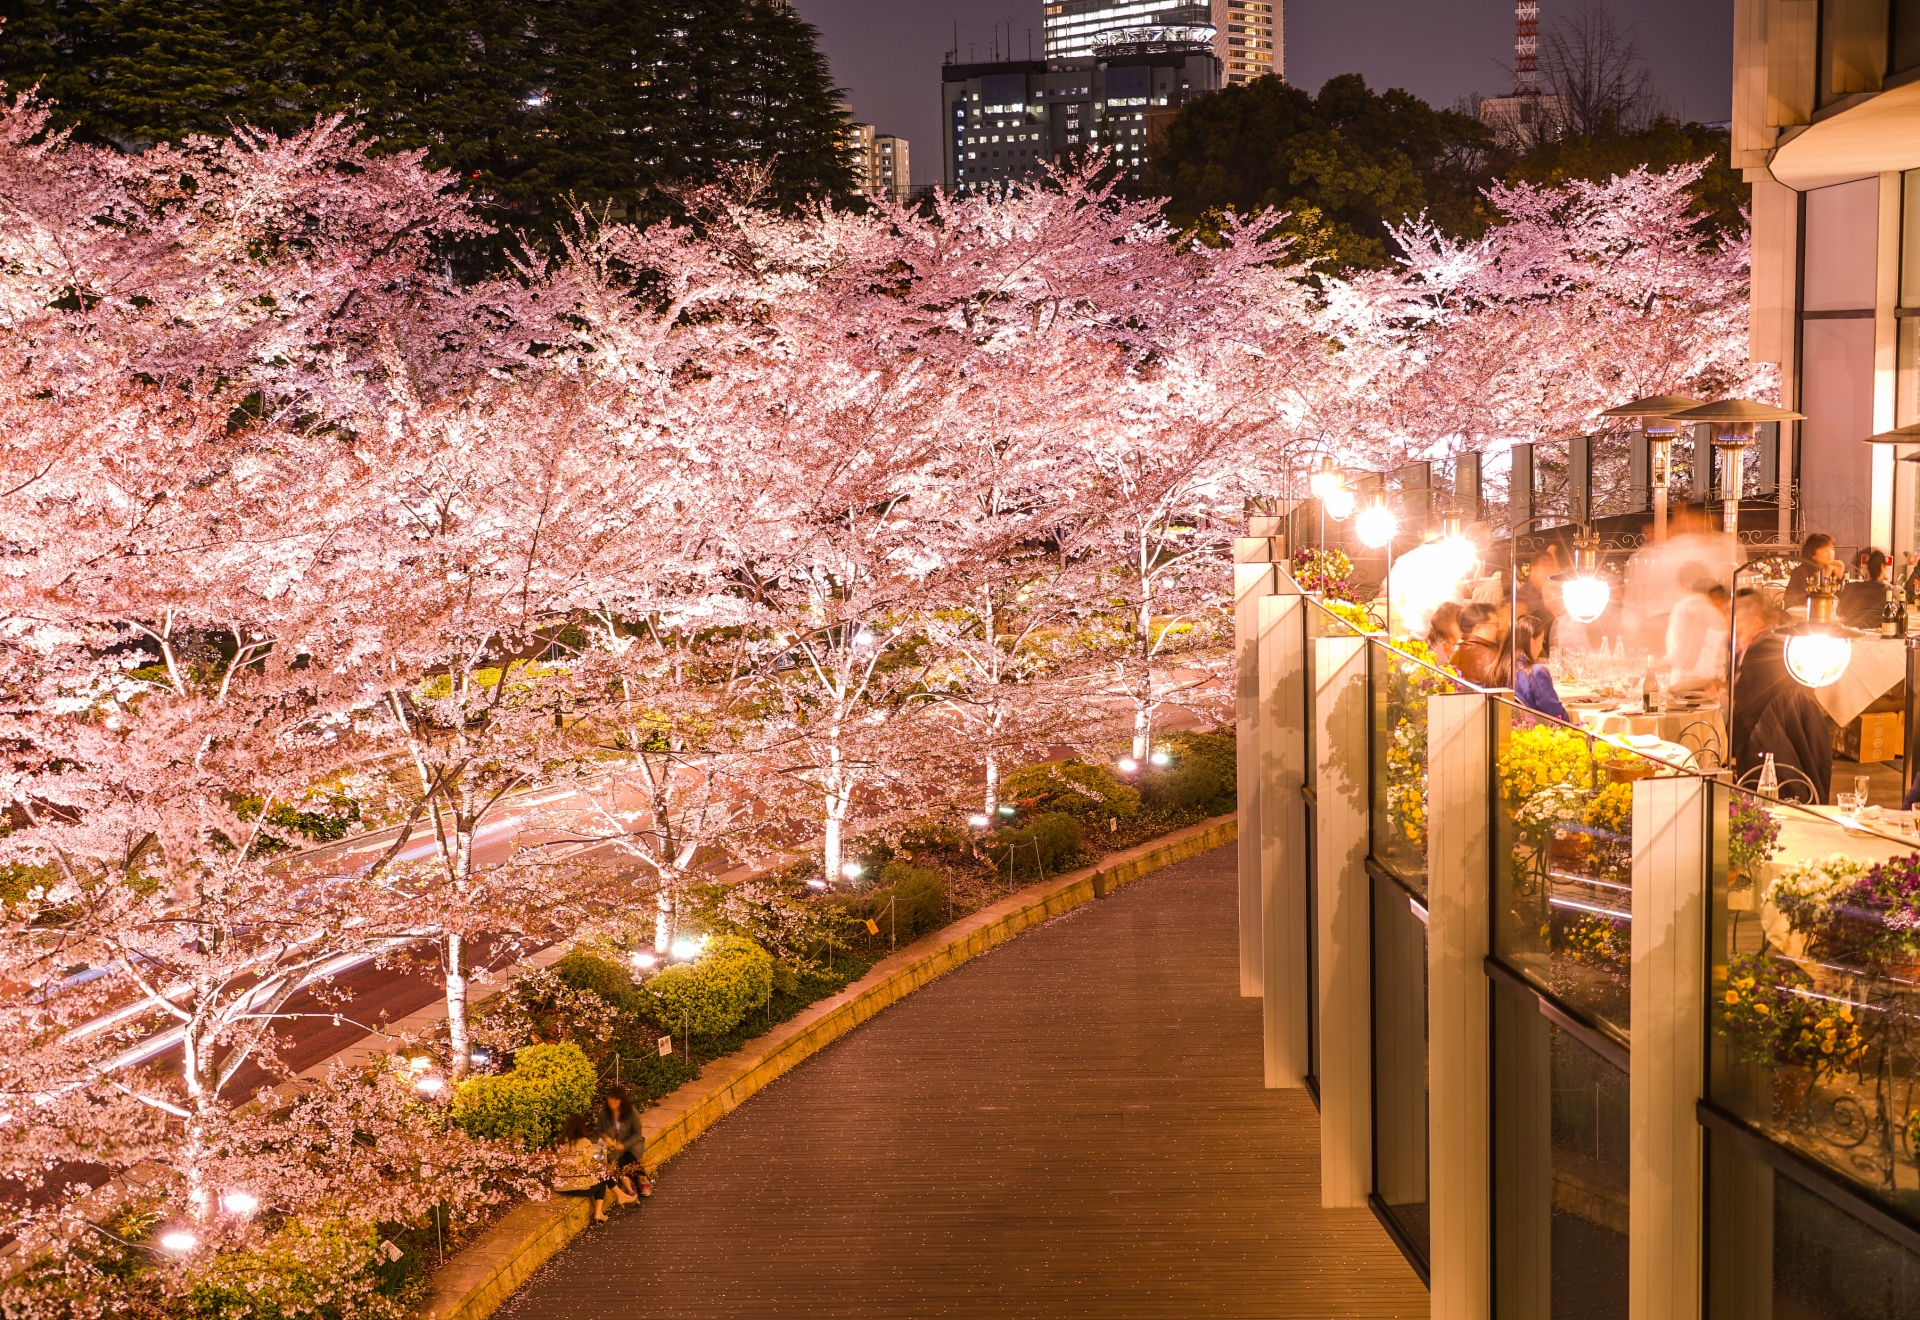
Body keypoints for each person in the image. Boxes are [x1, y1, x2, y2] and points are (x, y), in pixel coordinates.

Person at [1731, 596, 1832, 805]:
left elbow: (1744, 710)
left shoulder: (1760, 650)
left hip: (1763, 742)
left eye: (1739, 625)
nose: (1736, 632)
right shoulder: (1783, 645)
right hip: (1796, 742)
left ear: (1756, 621)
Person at [1664, 571, 1730, 696]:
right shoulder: (1715, 614)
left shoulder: (1684, 609)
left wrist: (1650, 665)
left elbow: (1679, 656)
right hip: (1715, 686)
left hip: (1689, 687)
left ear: (1683, 585)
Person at [553, 1113, 628, 1222]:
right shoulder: (584, 1142)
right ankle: (615, 1199)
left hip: (563, 1188)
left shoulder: (561, 1144)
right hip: (578, 1188)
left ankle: (608, 1205)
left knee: (603, 1175)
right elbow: (591, 1166)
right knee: (603, 1176)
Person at [594, 1087, 653, 1200]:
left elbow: (637, 1133)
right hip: (614, 1144)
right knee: (617, 1161)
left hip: (631, 1142)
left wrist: (624, 1145)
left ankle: (641, 1178)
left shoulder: (631, 1112)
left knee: (632, 1156)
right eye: (610, 1099)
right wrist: (606, 1138)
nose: (612, 1103)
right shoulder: (604, 1113)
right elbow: (600, 1131)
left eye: (616, 1101)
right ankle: (634, 1182)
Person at [1510, 613, 1570, 721]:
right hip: (1532, 734)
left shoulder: (1492, 670)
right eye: (1542, 640)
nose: (1541, 646)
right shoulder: (1537, 672)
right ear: (1532, 640)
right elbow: (1558, 717)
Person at [1450, 602, 1508, 688]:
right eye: (1496, 625)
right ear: (1478, 627)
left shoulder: (1455, 653)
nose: (1498, 629)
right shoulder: (1492, 658)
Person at [1783, 533, 1839, 614]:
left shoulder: (1834, 570)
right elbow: (1801, 601)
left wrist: (1841, 577)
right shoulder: (1800, 572)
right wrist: (1825, 576)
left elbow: (1843, 601)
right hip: (1806, 617)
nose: (1831, 553)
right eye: (1825, 550)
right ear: (1812, 555)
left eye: (1832, 549)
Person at [1839, 548, 1892, 628]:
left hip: (1855, 634)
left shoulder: (1850, 588)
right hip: (1880, 635)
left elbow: (1841, 612)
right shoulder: (1891, 591)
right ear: (1882, 567)